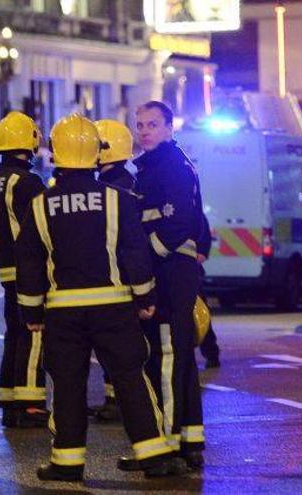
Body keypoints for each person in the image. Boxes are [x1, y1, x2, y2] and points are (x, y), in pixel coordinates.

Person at [15, 113, 189, 482]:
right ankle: (153, 455)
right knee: (130, 378)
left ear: (55, 153)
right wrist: (145, 297)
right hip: (113, 307)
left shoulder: (41, 205)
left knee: (67, 385)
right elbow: (134, 253)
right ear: (95, 153)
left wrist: (30, 309)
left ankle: (67, 461)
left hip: (64, 312)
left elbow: (30, 261)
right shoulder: (117, 200)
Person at [124, 100, 205, 470]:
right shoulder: (160, 164)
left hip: (170, 270)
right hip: (175, 269)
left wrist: (148, 260)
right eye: (140, 125)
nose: (144, 131)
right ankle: (187, 439)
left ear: (170, 127)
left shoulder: (169, 165)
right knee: (178, 355)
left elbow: (179, 221)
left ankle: (169, 443)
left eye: (152, 125)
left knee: (169, 355)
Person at [0, 111, 49, 428]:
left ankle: (10, 397)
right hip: (28, 268)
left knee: (14, 331)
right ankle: (29, 401)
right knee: (33, 331)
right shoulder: (27, 182)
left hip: (7, 266)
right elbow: (42, 225)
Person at [89, 118, 137, 422]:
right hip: (121, 274)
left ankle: (118, 400)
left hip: (115, 274)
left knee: (114, 345)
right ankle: (113, 397)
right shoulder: (127, 181)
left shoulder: (111, 187)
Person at [196, 213, 220, 369]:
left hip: (190, 271)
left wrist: (202, 254)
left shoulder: (189, 205)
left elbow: (203, 235)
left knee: (200, 314)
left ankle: (211, 352)